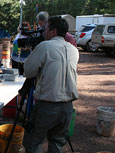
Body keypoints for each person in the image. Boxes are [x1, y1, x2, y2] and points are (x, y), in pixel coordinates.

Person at [22, 16, 79, 153]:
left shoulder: (45, 46)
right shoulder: (74, 50)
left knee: (33, 141)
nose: (44, 31)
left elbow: (28, 71)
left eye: (46, 28)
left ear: (53, 31)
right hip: (67, 108)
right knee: (57, 143)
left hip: (47, 105)